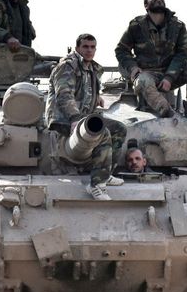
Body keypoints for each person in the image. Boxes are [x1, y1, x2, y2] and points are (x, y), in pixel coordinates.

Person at [47, 33, 127, 200]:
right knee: (102, 133)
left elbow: (84, 89)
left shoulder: (91, 68)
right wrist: (74, 118)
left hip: (82, 117)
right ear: (77, 48)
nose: (89, 50)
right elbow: (64, 94)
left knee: (119, 129)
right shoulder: (67, 66)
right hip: (64, 119)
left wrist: (96, 97)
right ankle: (96, 185)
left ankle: (105, 173)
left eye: (92, 47)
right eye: (85, 46)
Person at [115, 0, 187, 118]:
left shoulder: (177, 26)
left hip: (170, 73)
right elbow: (121, 50)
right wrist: (132, 67)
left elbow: (183, 53)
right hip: (146, 73)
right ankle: (166, 111)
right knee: (142, 80)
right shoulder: (136, 26)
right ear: (146, 5)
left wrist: (169, 77)